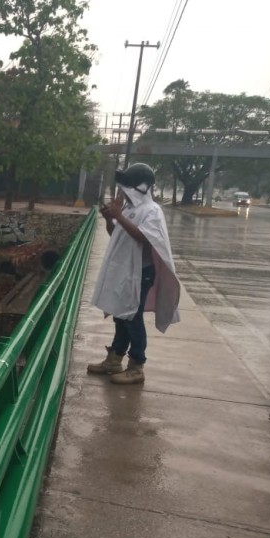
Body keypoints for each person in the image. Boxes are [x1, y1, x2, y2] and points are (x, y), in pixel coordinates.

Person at [87, 163, 180, 384]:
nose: (123, 193)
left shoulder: (152, 211)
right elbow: (116, 235)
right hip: (123, 271)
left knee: (132, 318)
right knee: (121, 315)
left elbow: (145, 238)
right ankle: (114, 359)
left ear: (142, 187)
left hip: (140, 273)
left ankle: (137, 365)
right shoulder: (129, 209)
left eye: (128, 188)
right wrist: (111, 219)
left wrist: (120, 215)